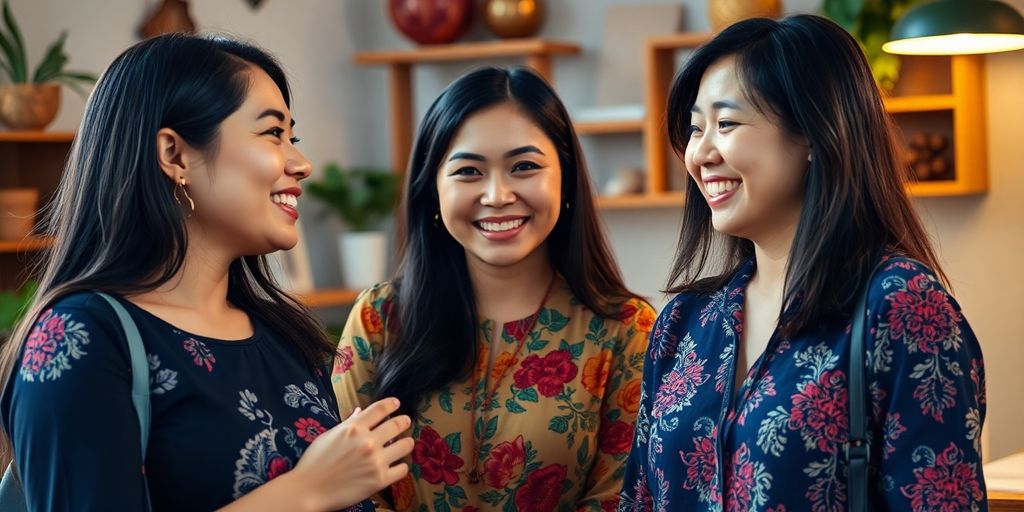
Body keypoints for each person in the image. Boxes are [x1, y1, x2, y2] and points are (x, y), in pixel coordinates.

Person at [0, 33, 412, 511]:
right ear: (175, 155)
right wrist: (307, 491)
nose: (301, 163)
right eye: (273, 133)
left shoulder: (284, 332)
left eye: (291, 137)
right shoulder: (81, 336)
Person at [618, 15, 986, 511]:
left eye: (725, 124)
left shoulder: (901, 308)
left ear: (815, 133)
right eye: (694, 129)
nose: (699, 153)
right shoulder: (683, 324)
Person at [332, 67, 655, 511]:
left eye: (524, 167)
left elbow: (622, 498)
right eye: (468, 171)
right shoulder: (379, 318)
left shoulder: (626, 329)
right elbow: (346, 490)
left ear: (565, 179)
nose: (497, 195)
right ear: (433, 190)